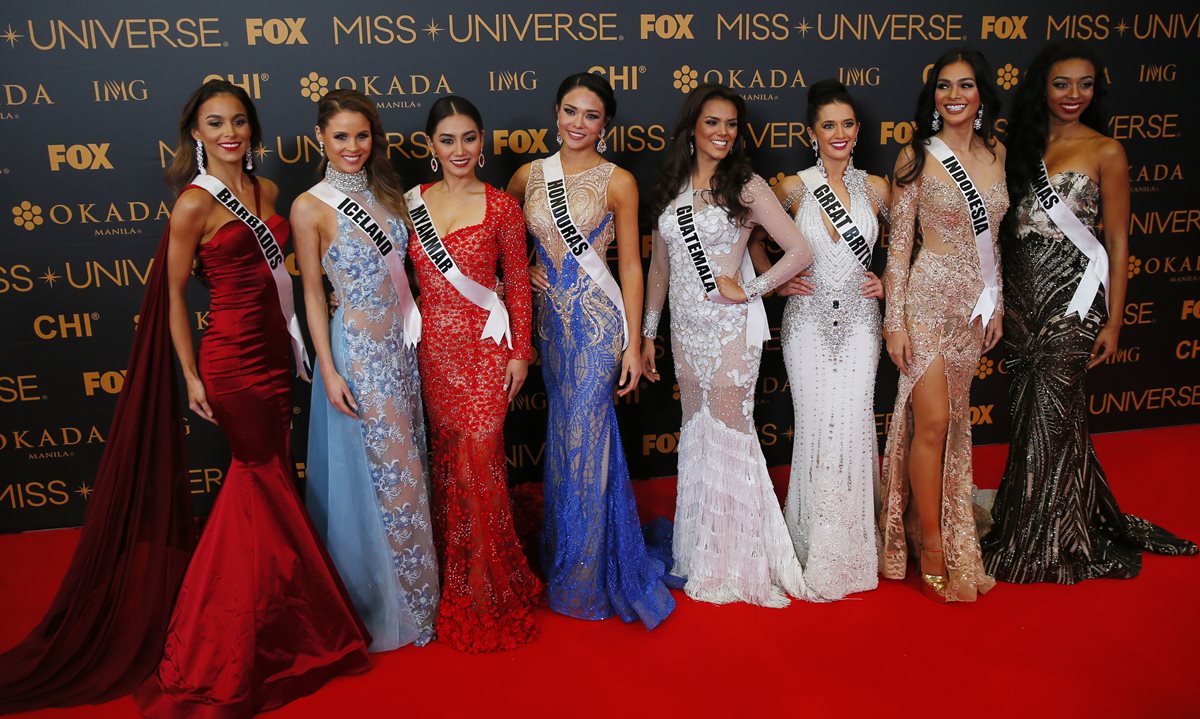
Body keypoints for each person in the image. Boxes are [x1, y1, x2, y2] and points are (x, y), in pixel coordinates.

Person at [135, 80, 371, 715]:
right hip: (231, 360)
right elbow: (173, 294)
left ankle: (277, 615)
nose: (229, 133)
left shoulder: (267, 193)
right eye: (215, 124)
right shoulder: (192, 205)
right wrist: (190, 375)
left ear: (252, 129)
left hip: (274, 353)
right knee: (257, 475)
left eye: (238, 121)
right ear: (196, 134)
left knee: (272, 479)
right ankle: (230, 634)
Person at [981, 40, 1197, 582]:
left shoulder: (1106, 150)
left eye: (1084, 84)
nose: (1074, 94)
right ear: (1042, 88)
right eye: (1062, 83)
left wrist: (1115, 319)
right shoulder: (1017, 146)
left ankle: (1044, 540)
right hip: (1023, 294)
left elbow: (1119, 243)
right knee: (1035, 413)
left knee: (1054, 412)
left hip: (1074, 298)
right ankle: (1050, 516)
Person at [509, 73, 675, 628]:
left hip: (599, 324)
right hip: (549, 327)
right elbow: (502, 244)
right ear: (555, 112)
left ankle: (585, 573)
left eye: (591, 115)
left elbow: (630, 264)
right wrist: (523, 271)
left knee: (586, 430)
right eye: (570, 111)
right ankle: (569, 554)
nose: (578, 124)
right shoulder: (528, 176)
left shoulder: (619, 181)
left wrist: (634, 340)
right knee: (564, 434)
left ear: (607, 124)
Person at [642, 83, 816, 607]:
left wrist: (753, 289)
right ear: (692, 127)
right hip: (687, 333)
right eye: (713, 122)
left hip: (730, 333)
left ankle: (738, 561)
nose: (723, 133)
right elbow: (660, 267)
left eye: (731, 124)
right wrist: (649, 333)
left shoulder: (746, 185)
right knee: (697, 436)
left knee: (730, 436)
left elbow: (800, 249)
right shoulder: (672, 186)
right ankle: (701, 553)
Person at [293, 89, 440, 649]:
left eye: (361, 135)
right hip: (358, 352)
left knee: (405, 466)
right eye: (340, 137)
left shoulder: (389, 193)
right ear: (320, 140)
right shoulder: (311, 206)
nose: (352, 147)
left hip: (401, 349)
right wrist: (327, 369)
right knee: (385, 471)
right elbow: (312, 292)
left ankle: (416, 595)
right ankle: (385, 602)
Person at [407, 96, 541, 652]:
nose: (459, 150)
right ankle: (452, 576)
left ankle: (488, 585)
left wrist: (520, 353)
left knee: (481, 459)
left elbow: (519, 282)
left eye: (468, 138)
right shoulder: (409, 203)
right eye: (447, 140)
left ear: (482, 141)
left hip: (488, 351)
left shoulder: (503, 207)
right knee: (449, 461)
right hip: (434, 350)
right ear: (431, 147)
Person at [749, 79, 890, 601]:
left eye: (847, 124)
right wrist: (774, 279)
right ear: (811, 132)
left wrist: (890, 282)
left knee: (853, 423)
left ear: (857, 130)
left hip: (860, 323)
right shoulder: (791, 187)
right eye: (828, 125)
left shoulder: (879, 188)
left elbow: (913, 246)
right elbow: (750, 238)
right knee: (814, 425)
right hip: (806, 322)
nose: (839, 133)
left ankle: (851, 546)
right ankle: (811, 540)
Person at [878, 48, 1007, 603]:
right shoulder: (917, 156)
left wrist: (996, 305)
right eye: (944, 87)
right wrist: (894, 323)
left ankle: (937, 522)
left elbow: (993, 242)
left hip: (973, 310)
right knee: (930, 423)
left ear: (982, 96)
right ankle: (931, 542)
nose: (954, 96)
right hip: (926, 303)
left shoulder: (998, 153)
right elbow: (899, 246)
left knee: (956, 423)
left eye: (965, 86)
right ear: (933, 97)